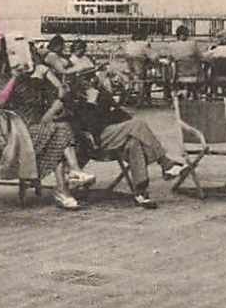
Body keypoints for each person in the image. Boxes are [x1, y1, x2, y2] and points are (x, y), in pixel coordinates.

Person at [59, 63, 183, 209]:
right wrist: (91, 102)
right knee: (138, 124)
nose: (91, 80)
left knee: (134, 142)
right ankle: (165, 163)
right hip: (92, 141)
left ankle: (140, 192)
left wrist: (105, 102)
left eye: (92, 76)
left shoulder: (100, 93)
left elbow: (118, 113)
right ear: (76, 81)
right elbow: (86, 126)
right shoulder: (71, 99)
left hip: (111, 136)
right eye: (86, 78)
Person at [0, 58, 94, 209]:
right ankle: (69, 179)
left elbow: (59, 93)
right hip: (20, 134)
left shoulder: (35, 78)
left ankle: (66, 186)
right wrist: (14, 77)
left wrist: (58, 86)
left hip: (39, 128)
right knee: (62, 131)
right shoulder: (5, 79)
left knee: (61, 132)